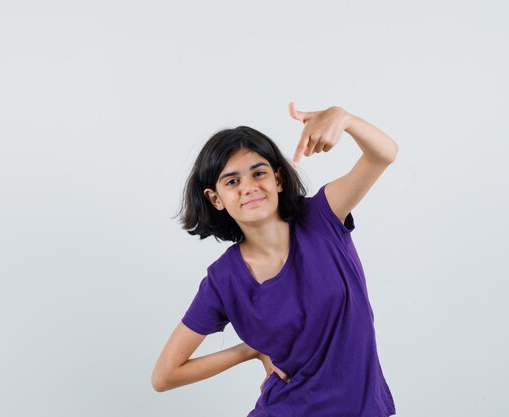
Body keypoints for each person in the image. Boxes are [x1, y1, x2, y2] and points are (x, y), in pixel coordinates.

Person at [151, 102, 399, 417]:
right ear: (216, 199)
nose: (249, 187)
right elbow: (164, 376)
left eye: (259, 173)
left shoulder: (322, 218)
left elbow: (384, 154)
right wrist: (248, 351)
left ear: (278, 180)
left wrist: (345, 118)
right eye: (232, 181)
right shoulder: (224, 280)